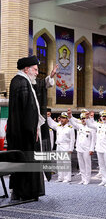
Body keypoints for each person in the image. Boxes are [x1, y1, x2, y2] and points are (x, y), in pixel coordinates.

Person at [6, 56, 45, 201]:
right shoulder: (21, 82)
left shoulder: (22, 81)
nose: (37, 72)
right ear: (26, 69)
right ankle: (25, 193)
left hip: (22, 132)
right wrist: (32, 129)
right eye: (35, 69)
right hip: (24, 134)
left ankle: (21, 192)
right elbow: (27, 110)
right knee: (26, 161)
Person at [67, 109, 95, 185]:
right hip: (79, 148)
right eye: (82, 119)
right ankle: (83, 179)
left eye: (84, 118)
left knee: (87, 164)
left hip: (87, 148)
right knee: (81, 164)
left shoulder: (91, 128)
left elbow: (93, 140)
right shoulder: (79, 126)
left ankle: (87, 179)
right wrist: (70, 116)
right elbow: (73, 122)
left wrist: (92, 149)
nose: (83, 120)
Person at [47, 112, 75, 183]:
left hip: (66, 146)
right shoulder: (58, 126)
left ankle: (67, 178)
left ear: (67, 119)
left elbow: (72, 139)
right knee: (59, 163)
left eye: (64, 118)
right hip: (58, 146)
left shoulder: (70, 128)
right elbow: (51, 124)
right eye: (61, 118)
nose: (62, 119)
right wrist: (48, 117)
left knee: (66, 163)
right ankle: (60, 177)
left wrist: (71, 148)